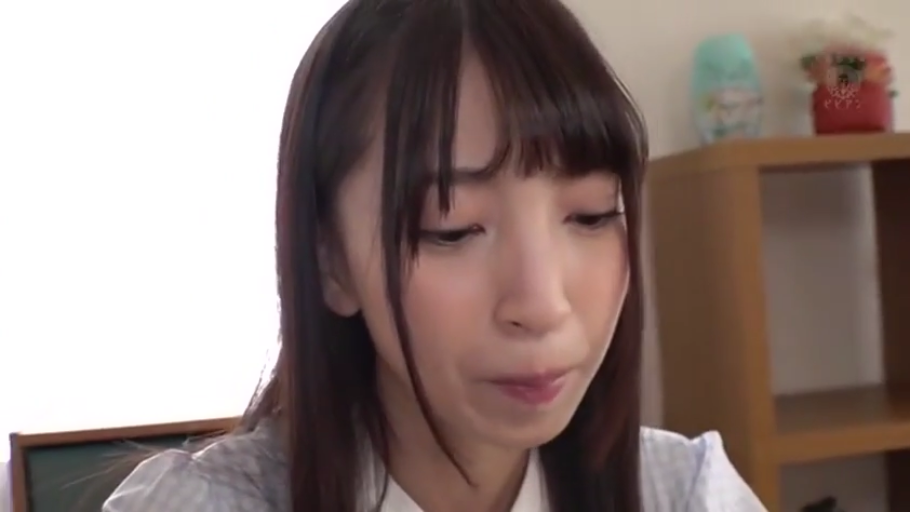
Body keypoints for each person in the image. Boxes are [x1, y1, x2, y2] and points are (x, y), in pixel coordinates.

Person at [103, 0, 767, 511]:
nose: (542, 304)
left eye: (591, 215)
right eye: (453, 228)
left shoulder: (684, 493)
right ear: (331, 261)